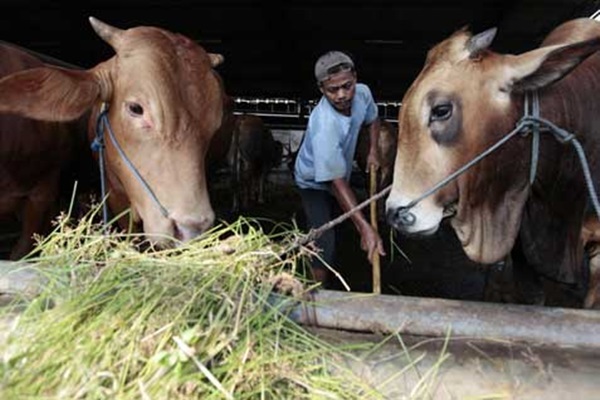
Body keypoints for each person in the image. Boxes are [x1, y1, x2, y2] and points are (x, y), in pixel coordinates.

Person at [294, 50, 386, 285]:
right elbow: (336, 183)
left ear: (355, 77)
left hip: (338, 173)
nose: (342, 95)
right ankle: (314, 292)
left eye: (347, 85)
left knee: (344, 223)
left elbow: (373, 119)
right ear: (321, 89)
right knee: (324, 238)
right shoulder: (325, 124)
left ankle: (342, 267)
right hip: (313, 181)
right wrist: (365, 227)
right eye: (332, 90)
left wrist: (374, 150)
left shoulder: (363, 93)